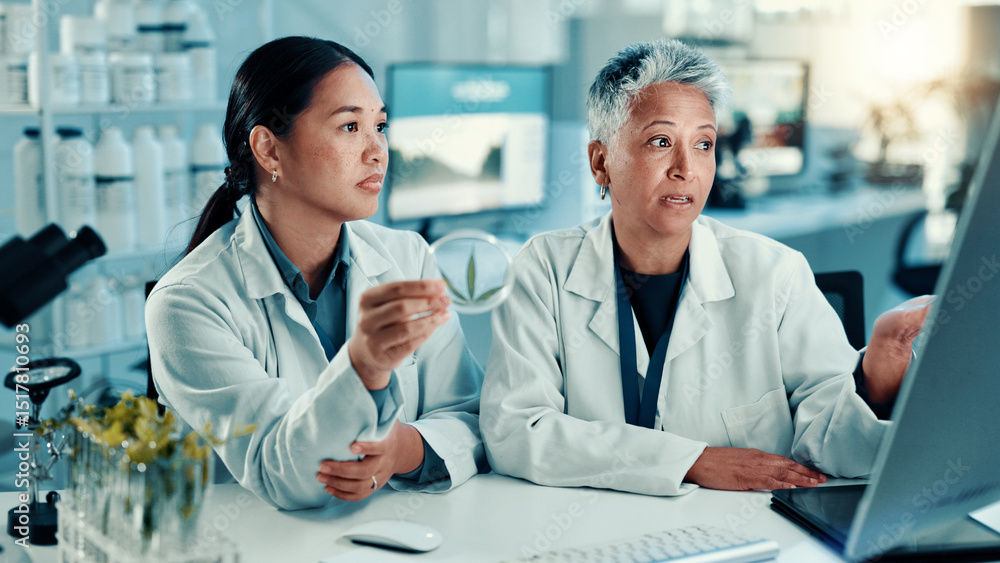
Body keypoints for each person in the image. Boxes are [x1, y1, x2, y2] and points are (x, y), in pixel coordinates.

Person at [480, 39, 933, 496]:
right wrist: (693, 461)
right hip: (593, 524)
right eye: (661, 142)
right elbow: (516, 433)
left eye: (703, 144)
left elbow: (837, 448)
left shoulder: (775, 272)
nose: (686, 169)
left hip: (745, 525)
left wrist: (882, 368)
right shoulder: (544, 270)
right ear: (601, 162)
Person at [146, 36, 488, 511]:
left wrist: (402, 450)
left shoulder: (406, 256)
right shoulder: (185, 303)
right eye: (350, 126)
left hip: (395, 531)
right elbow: (284, 474)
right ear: (269, 150)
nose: (378, 151)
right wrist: (365, 366)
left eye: (380, 126)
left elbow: (473, 417)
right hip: (258, 541)